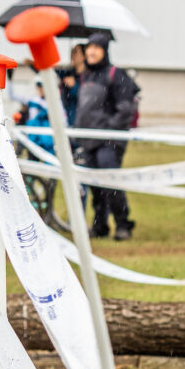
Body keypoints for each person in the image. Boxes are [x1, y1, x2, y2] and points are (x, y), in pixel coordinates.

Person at [75, 31, 139, 240]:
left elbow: (126, 109)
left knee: (110, 182)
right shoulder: (86, 75)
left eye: (95, 48)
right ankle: (100, 225)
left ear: (104, 51)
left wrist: (107, 129)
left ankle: (123, 224)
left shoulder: (115, 74)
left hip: (109, 141)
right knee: (95, 185)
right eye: (88, 47)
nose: (91, 52)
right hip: (89, 139)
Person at [60, 43, 86, 126]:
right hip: (67, 119)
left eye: (75, 52)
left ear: (84, 56)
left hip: (81, 121)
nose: (72, 55)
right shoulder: (69, 73)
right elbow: (50, 74)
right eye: (72, 51)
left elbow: (88, 97)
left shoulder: (90, 76)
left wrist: (75, 86)